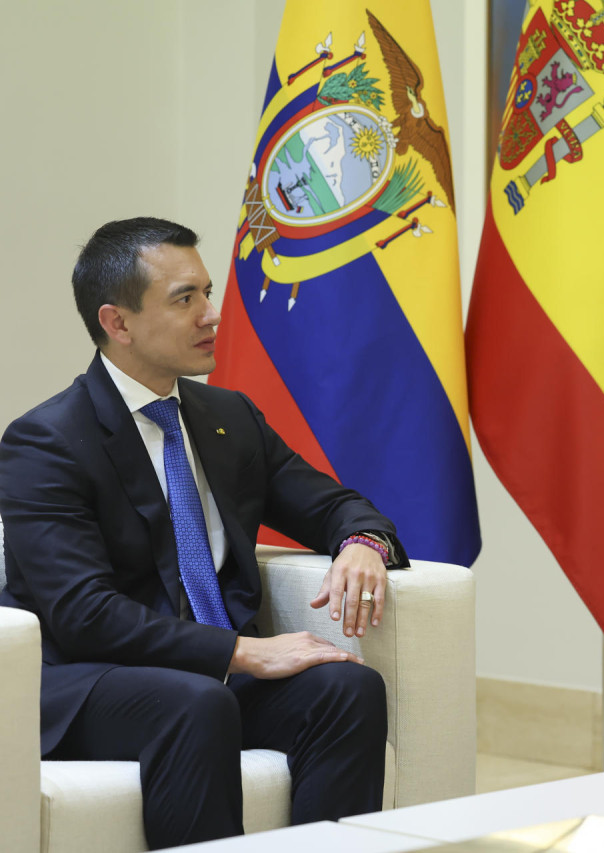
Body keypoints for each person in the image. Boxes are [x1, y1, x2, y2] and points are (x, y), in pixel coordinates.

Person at [0, 217, 409, 848]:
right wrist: (241, 654)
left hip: (208, 680)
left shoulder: (228, 418)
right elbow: (82, 614)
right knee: (197, 701)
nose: (211, 315)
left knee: (347, 688)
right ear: (118, 322)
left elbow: (336, 506)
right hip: (95, 680)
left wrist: (361, 545)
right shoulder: (47, 441)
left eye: (208, 292)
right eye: (184, 299)